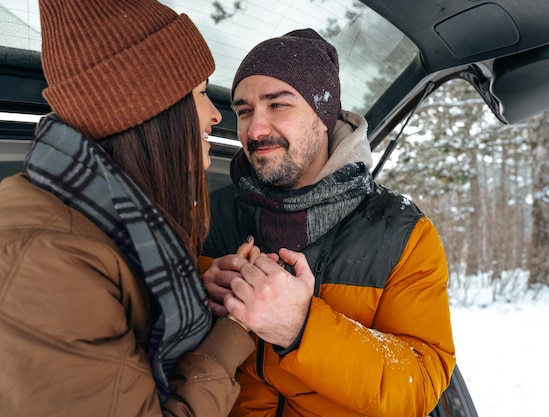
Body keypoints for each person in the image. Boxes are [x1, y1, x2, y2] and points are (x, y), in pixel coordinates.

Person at [0, 0, 256, 415]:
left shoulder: (105, 222)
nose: (214, 116)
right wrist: (231, 336)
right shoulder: (50, 262)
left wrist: (201, 287)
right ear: (147, 112)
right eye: (199, 94)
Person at [202, 28, 456, 417]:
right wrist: (198, 296)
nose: (254, 129)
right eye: (244, 111)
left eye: (278, 105)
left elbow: (421, 384)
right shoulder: (209, 214)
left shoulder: (401, 233)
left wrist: (301, 328)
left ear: (323, 116)